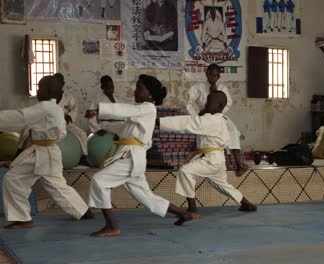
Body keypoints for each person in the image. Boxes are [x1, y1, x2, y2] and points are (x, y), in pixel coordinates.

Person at [85, 74, 197, 237]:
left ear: (150, 94)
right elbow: (122, 122)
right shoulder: (139, 111)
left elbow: (125, 111)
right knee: (147, 197)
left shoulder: (147, 108)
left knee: (99, 180)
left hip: (131, 158)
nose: (135, 91)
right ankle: (184, 214)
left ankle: (112, 226)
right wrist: (101, 119)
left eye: (139, 88)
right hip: (132, 158)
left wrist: (99, 110)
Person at [1, 76, 94, 229]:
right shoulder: (55, 109)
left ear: (49, 91)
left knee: (16, 179)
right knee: (51, 184)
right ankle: (83, 211)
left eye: (40, 88)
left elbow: (19, 117)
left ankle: (23, 219)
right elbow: (61, 133)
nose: (37, 90)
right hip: (45, 151)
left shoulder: (44, 107)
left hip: (44, 153)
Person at [159, 91, 257, 216]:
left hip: (212, 160)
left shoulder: (211, 120)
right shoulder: (220, 120)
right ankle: (247, 204)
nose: (206, 104)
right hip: (216, 159)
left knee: (186, 171)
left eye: (209, 102)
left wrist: (160, 122)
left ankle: (193, 208)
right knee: (223, 185)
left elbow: (187, 123)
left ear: (219, 106)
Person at [185, 64, 248, 176]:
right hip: (204, 117)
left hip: (219, 116)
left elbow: (228, 103)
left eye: (216, 75)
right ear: (207, 74)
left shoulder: (222, 88)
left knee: (233, 131)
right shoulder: (198, 87)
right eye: (211, 75)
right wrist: (197, 115)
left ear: (219, 76)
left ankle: (239, 164)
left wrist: (218, 111)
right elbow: (188, 102)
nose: (213, 77)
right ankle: (202, 163)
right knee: (206, 135)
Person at [53, 73, 88, 163]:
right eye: (55, 83)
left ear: (63, 84)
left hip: (65, 123)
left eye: (59, 83)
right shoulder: (49, 96)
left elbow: (74, 108)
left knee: (82, 134)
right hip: (51, 123)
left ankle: (84, 156)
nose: (57, 85)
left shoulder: (68, 97)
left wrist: (69, 116)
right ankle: (20, 149)